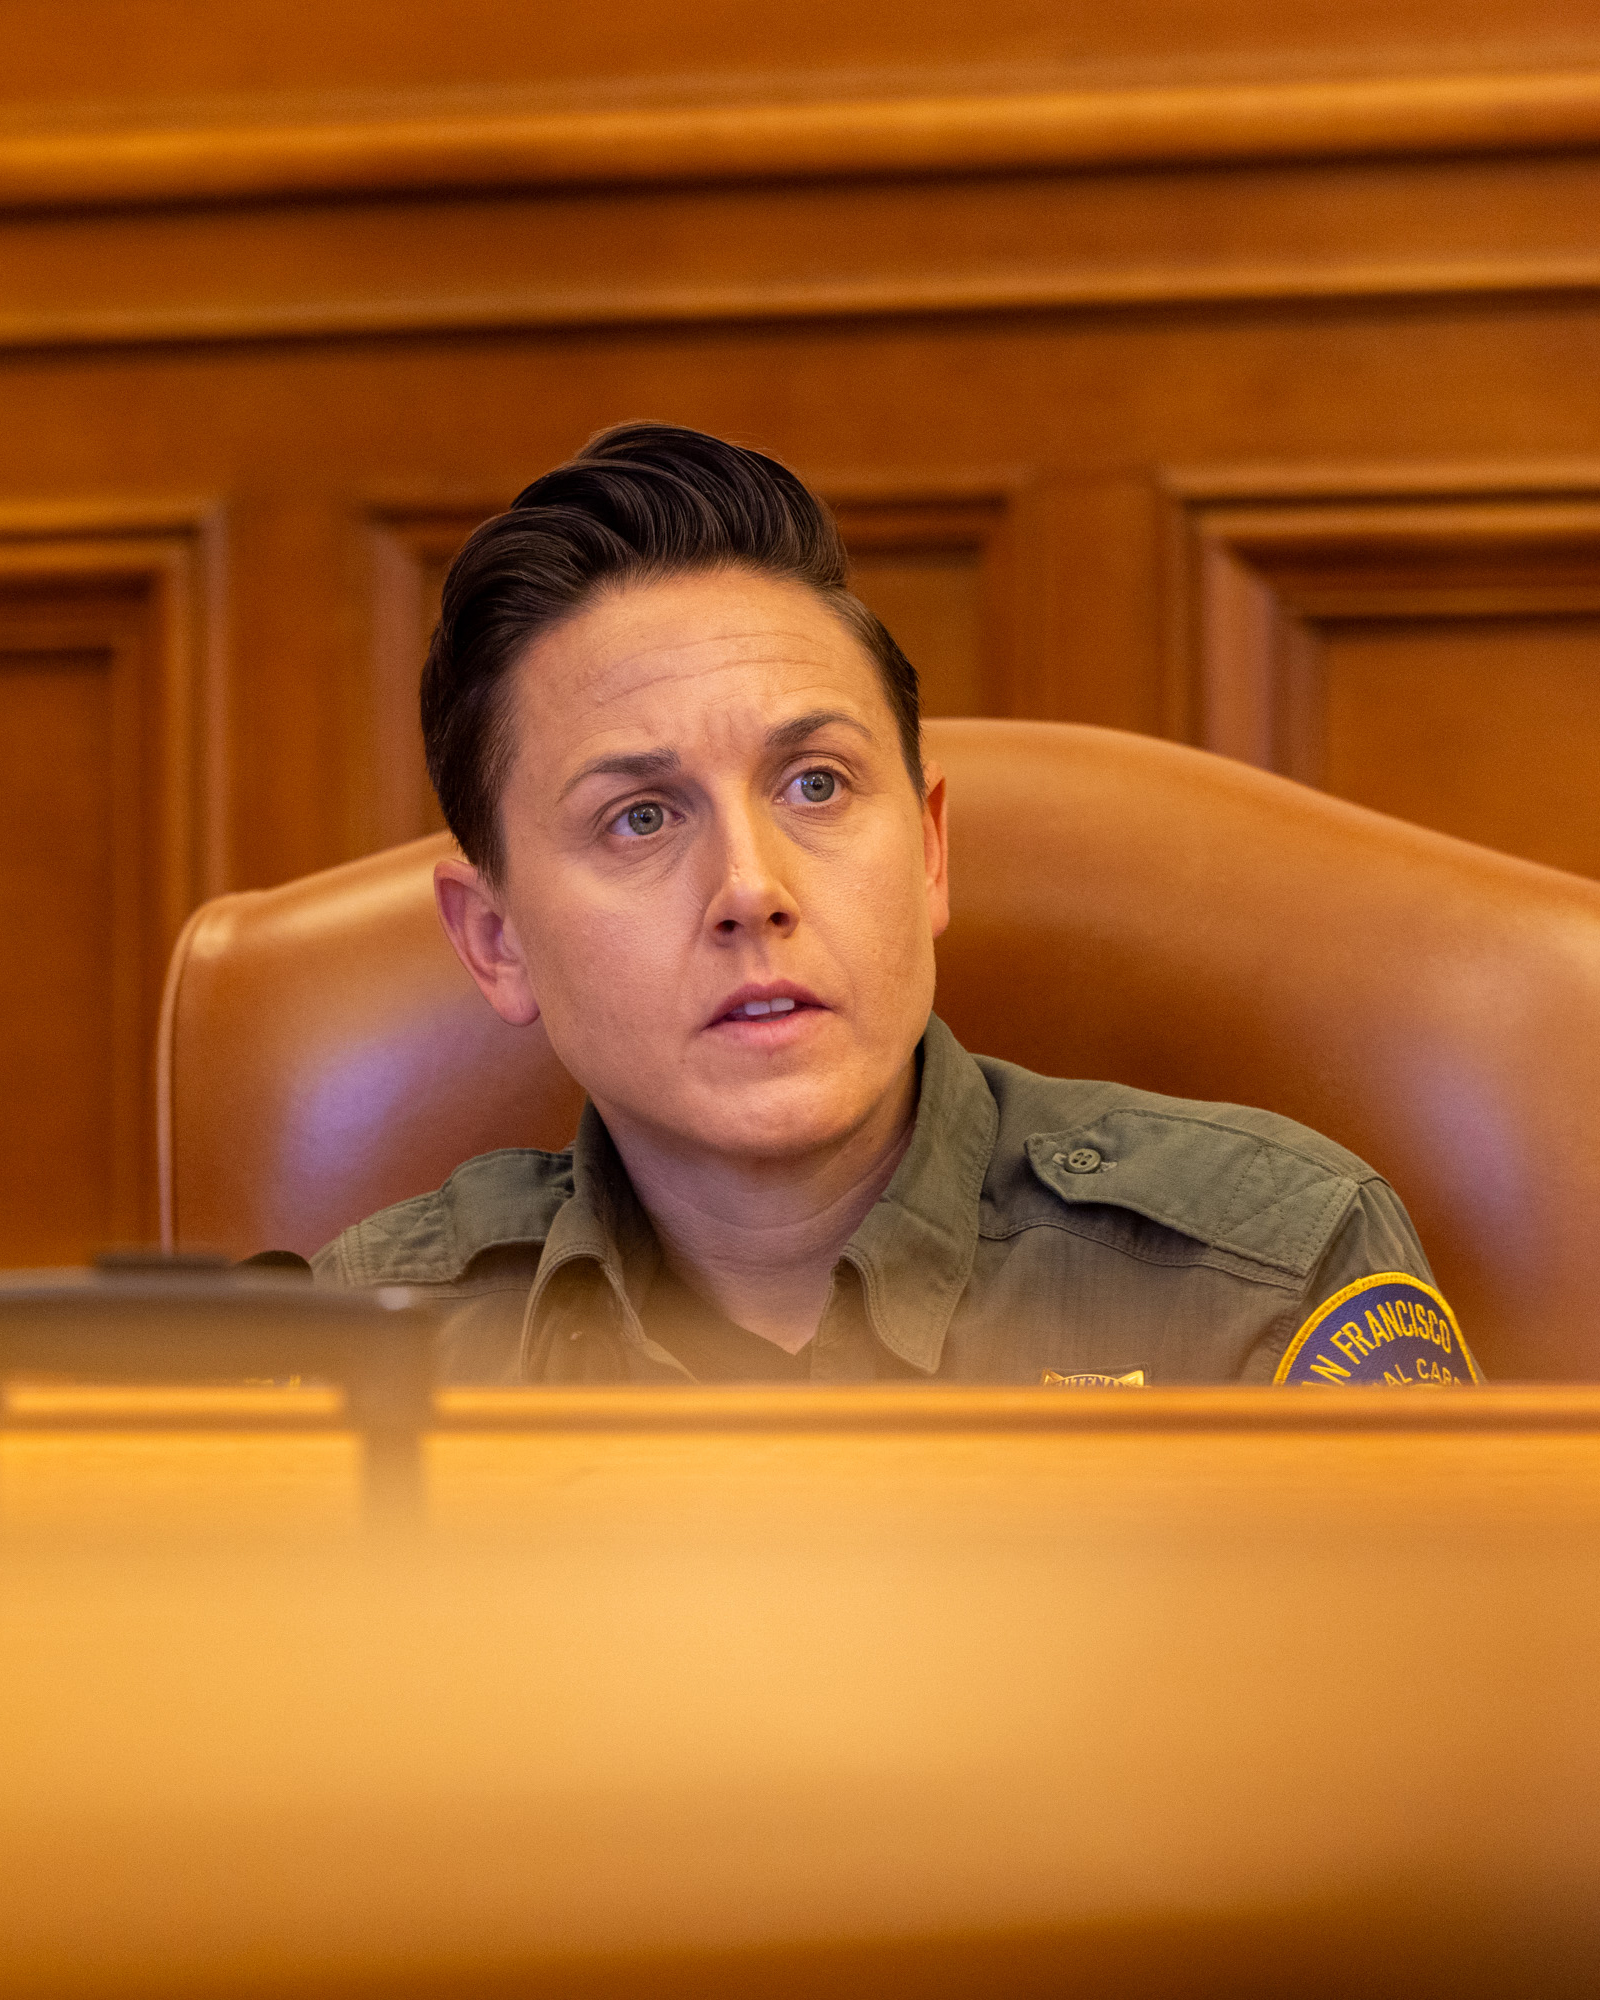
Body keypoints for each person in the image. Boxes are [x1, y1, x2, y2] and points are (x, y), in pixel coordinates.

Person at [314, 423, 1479, 1389]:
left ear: (927, 849)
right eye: (641, 817)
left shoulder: (1264, 1278)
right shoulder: (356, 1352)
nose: (751, 890)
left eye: (814, 784)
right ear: (495, 939)